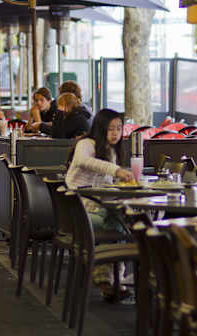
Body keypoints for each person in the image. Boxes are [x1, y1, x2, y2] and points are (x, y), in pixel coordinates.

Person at [65, 108, 133, 300]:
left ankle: (110, 280)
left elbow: (105, 188)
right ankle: (111, 280)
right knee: (120, 226)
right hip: (78, 212)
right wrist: (116, 170)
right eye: (111, 128)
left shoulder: (110, 151)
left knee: (122, 222)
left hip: (94, 209)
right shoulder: (86, 144)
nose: (115, 133)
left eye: (119, 128)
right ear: (100, 128)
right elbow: (84, 161)